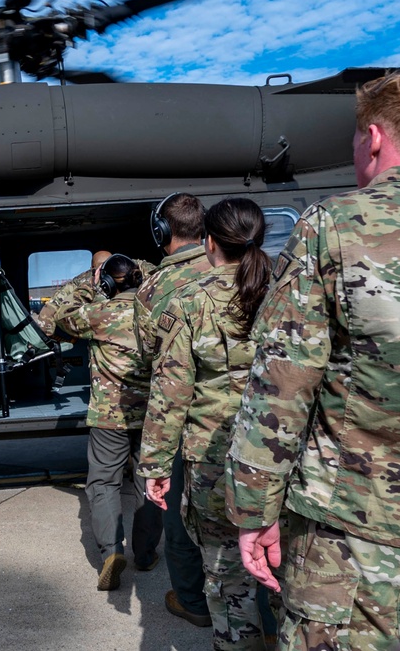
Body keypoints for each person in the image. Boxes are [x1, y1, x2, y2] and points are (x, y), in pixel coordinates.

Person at [225, 60, 400, 650]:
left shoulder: (334, 225)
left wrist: (254, 510)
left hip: (360, 534)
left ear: (374, 137)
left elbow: (281, 385)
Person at [139, 198, 281, 650]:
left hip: (216, 462)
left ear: (210, 242)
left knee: (226, 577)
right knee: (290, 572)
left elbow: (170, 393)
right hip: (286, 458)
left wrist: (156, 467)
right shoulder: (288, 290)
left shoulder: (189, 302)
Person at [53, 253, 163, 590]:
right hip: (153, 415)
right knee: (150, 483)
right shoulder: (156, 313)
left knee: (103, 484)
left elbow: (61, 316)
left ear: (105, 283)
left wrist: (88, 280)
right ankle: (144, 554)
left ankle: (112, 552)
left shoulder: (97, 314)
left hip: (108, 416)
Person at [133, 192, 213, 627]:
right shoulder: (243, 269)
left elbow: (153, 359)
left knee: (182, 515)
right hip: (254, 417)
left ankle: (192, 601)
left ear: (161, 232)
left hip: (186, 420)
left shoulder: (151, 289)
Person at [34, 250, 112, 338]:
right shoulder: (84, 280)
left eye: (111, 264)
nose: (107, 270)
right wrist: (46, 339)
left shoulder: (123, 277)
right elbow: (52, 306)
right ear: (92, 268)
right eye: (102, 266)